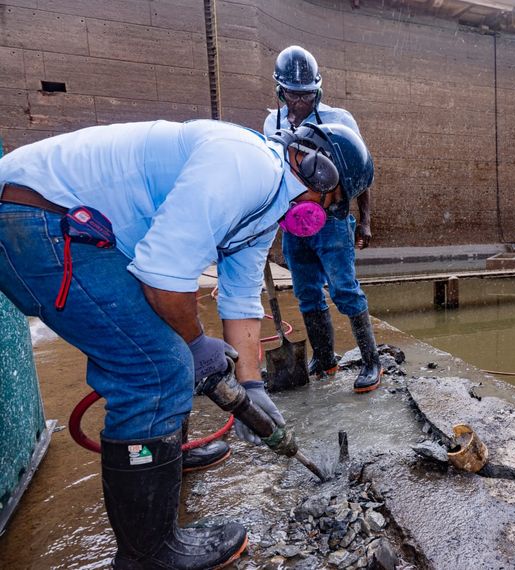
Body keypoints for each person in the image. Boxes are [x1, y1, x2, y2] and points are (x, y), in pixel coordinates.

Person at [0, 118, 371, 569]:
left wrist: (252, 388)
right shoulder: (246, 165)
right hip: (38, 217)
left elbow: (239, 297)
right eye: (330, 204)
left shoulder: (263, 207)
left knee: (167, 359)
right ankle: (149, 554)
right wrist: (197, 345)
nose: (322, 216)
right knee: (156, 370)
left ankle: (164, 459)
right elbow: (163, 280)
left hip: (63, 223)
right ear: (316, 170)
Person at [264, 45, 383, 393]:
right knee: (306, 293)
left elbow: (362, 173)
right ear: (279, 90)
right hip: (293, 224)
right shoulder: (272, 122)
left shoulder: (339, 120)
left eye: (306, 95)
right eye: (292, 95)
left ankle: (372, 361)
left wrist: (365, 221)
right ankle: (326, 358)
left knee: (344, 289)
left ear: (318, 90)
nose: (299, 102)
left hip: (331, 220)